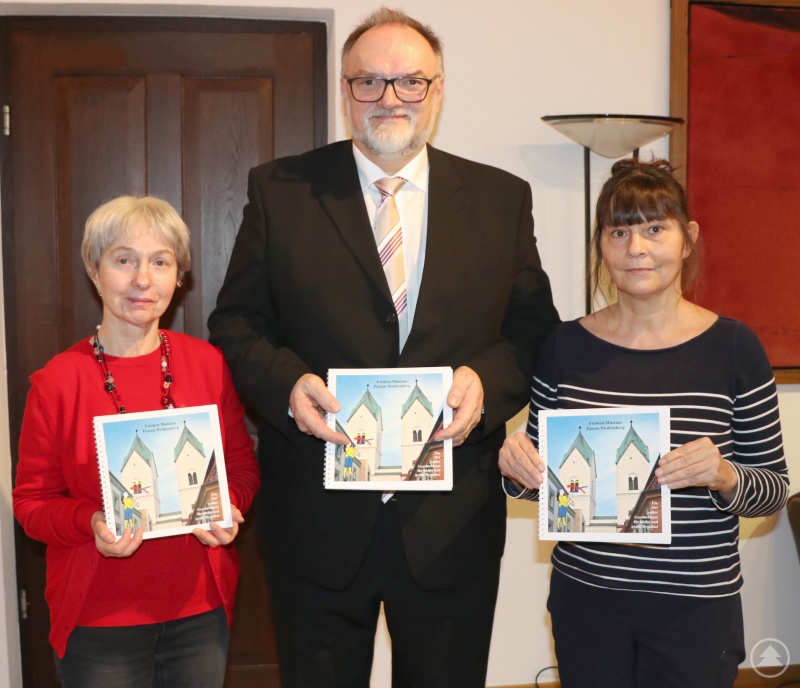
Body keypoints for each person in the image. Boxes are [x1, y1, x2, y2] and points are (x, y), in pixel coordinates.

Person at [207, 7, 559, 687]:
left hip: (451, 522)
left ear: (439, 89)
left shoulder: (500, 199)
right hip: (316, 514)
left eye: (409, 82)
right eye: (369, 82)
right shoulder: (279, 192)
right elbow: (237, 322)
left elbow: (532, 329)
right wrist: (287, 385)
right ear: (345, 92)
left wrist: (484, 383)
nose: (389, 98)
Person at [499, 158, 789, 688]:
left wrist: (723, 474)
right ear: (601, 245)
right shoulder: (563, 346)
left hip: (695, 607)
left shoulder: (734, 347)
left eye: (655, 229)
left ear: (687, 238)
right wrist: (515, 466)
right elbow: (534, 485)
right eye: (620, 231)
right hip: (586, 599)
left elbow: (772, 492)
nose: (637, 248)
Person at [12, 196, 260, 687]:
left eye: (160, 262)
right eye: (124, 260)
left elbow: (241, 466)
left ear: (179, 276)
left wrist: (227, 505)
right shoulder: (57, 382)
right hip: (98, 622)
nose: (143, 279)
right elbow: (31, 504)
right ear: (94, 269)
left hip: (199, 613)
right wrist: (91, 521)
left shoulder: (207, 364)